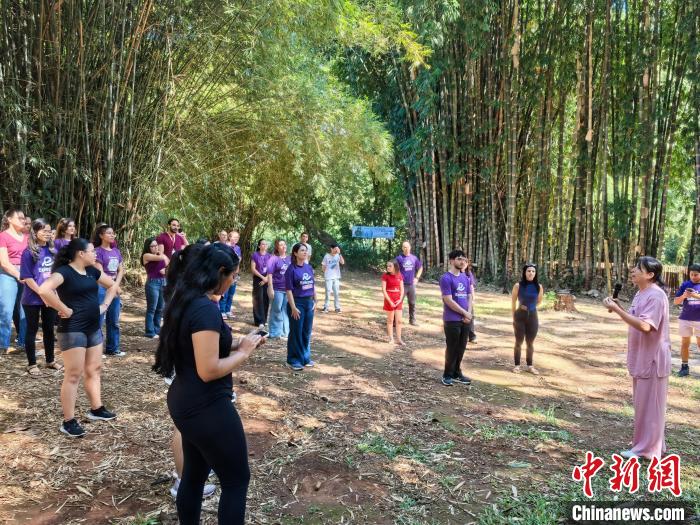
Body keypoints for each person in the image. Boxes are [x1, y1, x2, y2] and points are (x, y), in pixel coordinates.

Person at [153, 244, 264, 524]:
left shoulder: (187, 300)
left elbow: (202, 346)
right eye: (234, 275)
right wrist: (244, 353)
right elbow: (209, 369)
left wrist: (242, 342)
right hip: (206, 406)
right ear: (219, 272)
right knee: (236, 480)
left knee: (194, 475)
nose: (234, 281)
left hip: (186, 402)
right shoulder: (205, 309)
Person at [38, 238, 118, 437]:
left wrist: (105, 306)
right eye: (92, 251)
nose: (95, 254)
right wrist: (63, 308)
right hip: (72, 329)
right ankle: (68, 421)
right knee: (73, 375)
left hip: (93, 327)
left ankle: (96, 409)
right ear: (81, 254)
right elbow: (43, 290)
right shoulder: (64, 272)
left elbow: (112, 286)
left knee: (94, 369)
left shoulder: (92, 271)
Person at [603, 257, 672, 459]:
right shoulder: (641, 293)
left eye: (638, 269)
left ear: (650, 275)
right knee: (644, 404)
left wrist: (618, 311)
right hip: (643, 355)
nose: (633, 271)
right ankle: (648, 444)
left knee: (651, 405)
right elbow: (637, 319)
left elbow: (645, 326)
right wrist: (620, 308)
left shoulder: (656, 296)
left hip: (653, 358)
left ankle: (647, 449)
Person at [20, 218, 62, 374]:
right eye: (44, 230)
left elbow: (56, 274)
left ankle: (50, 361)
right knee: (31, 330)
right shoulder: (28, 252)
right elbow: (27, 278)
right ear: (35, 232)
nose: (47, 233)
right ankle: (32, 364)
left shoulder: (53, 252)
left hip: (50, 296)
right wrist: (42, 294)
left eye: (49, 231)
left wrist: (55, 294)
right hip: (32, 298)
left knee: (49, 329)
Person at [439, 250, 473, 386]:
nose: (462, 262)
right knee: (452, 348)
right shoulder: (446, 278)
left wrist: (468, 314)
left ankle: (457, 373)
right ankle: (447, 374)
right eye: (459, 259)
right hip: (452, 319)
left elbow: (469, 297)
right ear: (451, 261)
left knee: (461, 348)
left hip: (466, 319)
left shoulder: (465, 278)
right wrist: (464, 313)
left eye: (464, 259)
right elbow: (448, 300)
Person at [93, 225, 125, 356]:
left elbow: (121, 270)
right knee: (99, 320)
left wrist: (115, 286)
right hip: (101, 288)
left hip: (114, 287)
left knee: (114, 320)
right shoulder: (97, 251)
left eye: (113, 233)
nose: (112, 235)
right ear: (101, 235)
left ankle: (113, 348)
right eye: (109, 233)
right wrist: (114, 286)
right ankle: (96, 350)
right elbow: (99, 273)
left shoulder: (116, 251)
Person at [0, 208, 28, 353]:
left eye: (24, 218)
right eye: (20, 218)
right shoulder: (3, 236)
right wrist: (19, 275)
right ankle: (3, 345)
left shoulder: (27, 237)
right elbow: (4, 262)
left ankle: (23, 343)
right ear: (9, 219)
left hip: (26, 274)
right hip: (8, 274)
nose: (23, 220)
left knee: (25, 311)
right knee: (6, 310)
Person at [285, 243, 317, 371]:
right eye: (302, 250)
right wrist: (293, 307)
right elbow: (288, 290)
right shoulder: (291, 269)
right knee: (296, 332)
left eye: (306, 250)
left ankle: (305, 357)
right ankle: (293, 360)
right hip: (297, 303)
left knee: (306, 332)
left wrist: (315, 300)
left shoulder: (308, 267)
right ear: (295, 253)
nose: (305, 252)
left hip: (309, 303)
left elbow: (312, 285)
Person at [511, 263, 543, 374]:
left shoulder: (539, 287)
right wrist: (514, 316)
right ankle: (517, 365)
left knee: (530, 342)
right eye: (529, 271)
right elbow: (513, 302)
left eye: (533, 271)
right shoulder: (518, 286)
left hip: (533, 316)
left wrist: (531, 307)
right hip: (520, 316)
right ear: (525, 273)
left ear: (535, 273)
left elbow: (539, 301)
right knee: (519, 341)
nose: (531, 273)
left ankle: (530, 366)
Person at [672, 263, 700, 377]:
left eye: (696, 275)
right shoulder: (685, 284)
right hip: (685, 318)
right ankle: (684, 367)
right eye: (691, 274)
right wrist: (684, 296)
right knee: (684, 343)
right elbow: (676, 302)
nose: (693, 277)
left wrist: (694, 296)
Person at [142, 237, 169, 339]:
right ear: (148, 247)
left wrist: (165, 269)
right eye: (152, 246)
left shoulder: (159, 255)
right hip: (153, 283)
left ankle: (157, 329)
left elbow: (168, 262)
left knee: (160, 308)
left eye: (156, 245)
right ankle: (149, 331)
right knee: (152, 308)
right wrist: (161, 253)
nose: (155, 247)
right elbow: (162, 258)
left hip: (163, 281)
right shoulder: (146, 255)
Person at [267, 239, 291, 339]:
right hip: (277, 288)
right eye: (281, 245)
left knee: (286, 310)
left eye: (284, 244)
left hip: (288, 289)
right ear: (277, 247)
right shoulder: (273, 259)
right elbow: (269, 274)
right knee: (276, 310)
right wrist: (270, 288)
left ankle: (286, 332)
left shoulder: (290, 259)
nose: (283, 246)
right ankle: (275, 333)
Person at [396, 241, 423, 325]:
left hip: (411, 285)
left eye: (407, 247)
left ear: (410, 247)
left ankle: (412, 320)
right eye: (404, 247)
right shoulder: (399, 258)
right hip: (402, 284)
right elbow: (394, 269)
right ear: (402, 248)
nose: (406, 248)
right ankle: (395, 320)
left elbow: (420, 268)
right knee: (398, 302)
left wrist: (417, 278)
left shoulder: (414, 258)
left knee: (412, 303)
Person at [381, 259, 404, 345]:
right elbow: (383, 290)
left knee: (399, 321)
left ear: (395, 267)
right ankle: (391, 339)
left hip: (398, 299)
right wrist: (390, 301)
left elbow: (402, 289)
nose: (388, 267)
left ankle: (399, 339)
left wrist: (400, 299)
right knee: (390, 320)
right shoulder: (385, 276)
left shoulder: (399, 275)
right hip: (389, 299)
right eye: (387, 266)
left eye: (390, 266)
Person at [251, 239, 271, 326]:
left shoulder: (269, 256)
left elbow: (271, 269)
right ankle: (259, 320)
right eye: (262, 244)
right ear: (259, 246)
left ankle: (264, 319)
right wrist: (263, 278)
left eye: (266, 244)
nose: (264, 245)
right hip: (258, 278)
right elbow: (253, 269)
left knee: (266, 298)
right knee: (258, 299)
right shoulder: (255, 255)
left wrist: (266, 278)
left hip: (267, 278)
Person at [223, 230, 242, 317]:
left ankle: (228, 310)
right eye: (234, 237)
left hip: (235, 273)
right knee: (225, 292)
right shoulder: (225, 246)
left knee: (231, 293)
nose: (236, 239)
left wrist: (236, 273)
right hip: (226, 272)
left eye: (237, 237)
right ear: (229, 237)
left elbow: (239, 260)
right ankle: (222, 311)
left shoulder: (238, 248)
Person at [321, 244, 344, 313]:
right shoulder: (326, 256)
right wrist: (326, 273)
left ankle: (337, 307)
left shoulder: (338, 255)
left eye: (337, 249)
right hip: (328, 277)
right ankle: (326, 307)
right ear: (331, 249)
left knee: (336, 293)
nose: (336, 250)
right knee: (328, 292)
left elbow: (342, 262)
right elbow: (323, 266)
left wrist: (339, 254)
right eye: (335, 249)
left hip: (336, 277)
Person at [465, 259, 478, 343]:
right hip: (459, 297)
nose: (463, 263)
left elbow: (471, 286)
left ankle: (472, 336)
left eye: (465, 262)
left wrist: (473, 298)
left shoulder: (468, 273)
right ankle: (463, 336)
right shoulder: (456, 273)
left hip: (468, 297)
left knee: (470, 316)